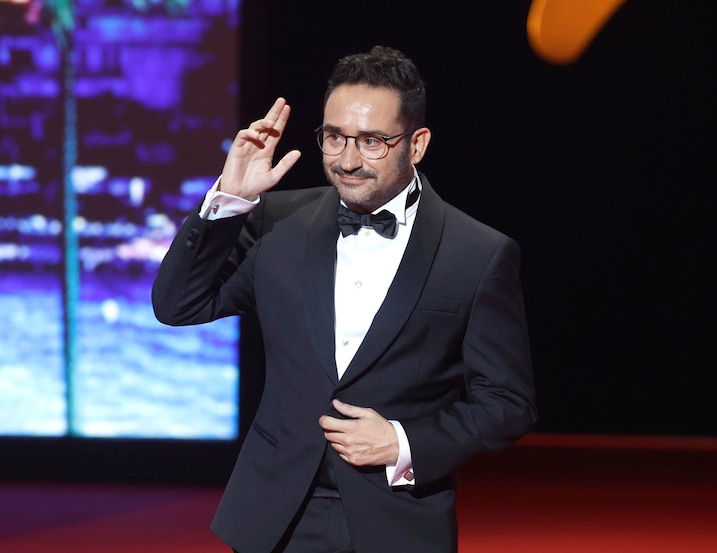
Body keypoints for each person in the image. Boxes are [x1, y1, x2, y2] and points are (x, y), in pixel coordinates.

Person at [152, 45, 537, 553]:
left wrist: (403, 442)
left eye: (373, 141)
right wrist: (231, 200)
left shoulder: (477, 254)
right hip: (275, 517)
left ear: (416, 144)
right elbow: (179, 304)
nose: (348, 160)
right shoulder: (276, 221)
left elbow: (507, 404)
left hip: (397, 519)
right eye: (335, 138)